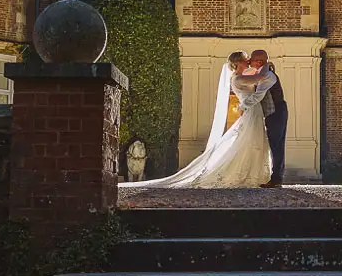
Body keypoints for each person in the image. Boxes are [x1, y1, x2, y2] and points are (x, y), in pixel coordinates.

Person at [119, 52, 273, 189]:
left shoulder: (243, 76)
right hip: (251, 112)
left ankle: (252, 174)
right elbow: (260, 77)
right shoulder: (238, 78)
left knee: (254, 141)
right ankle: (241, 174)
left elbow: (257, 77)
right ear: (237, 63)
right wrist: (266, 63)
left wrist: (259, 66)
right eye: (245, 60)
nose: (248, 61)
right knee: (250, 142)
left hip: (253, 111)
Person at [237, 49, 286, 189]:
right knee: (273, 144)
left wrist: (242, 106)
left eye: (251, 59)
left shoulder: (268, 76)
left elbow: (258, 95)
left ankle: (276, 179)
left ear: (258, 62)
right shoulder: (262, 73)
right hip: (272, 113)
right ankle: (275, 178)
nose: (248, 61)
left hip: (276, 112)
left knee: (276, 145)